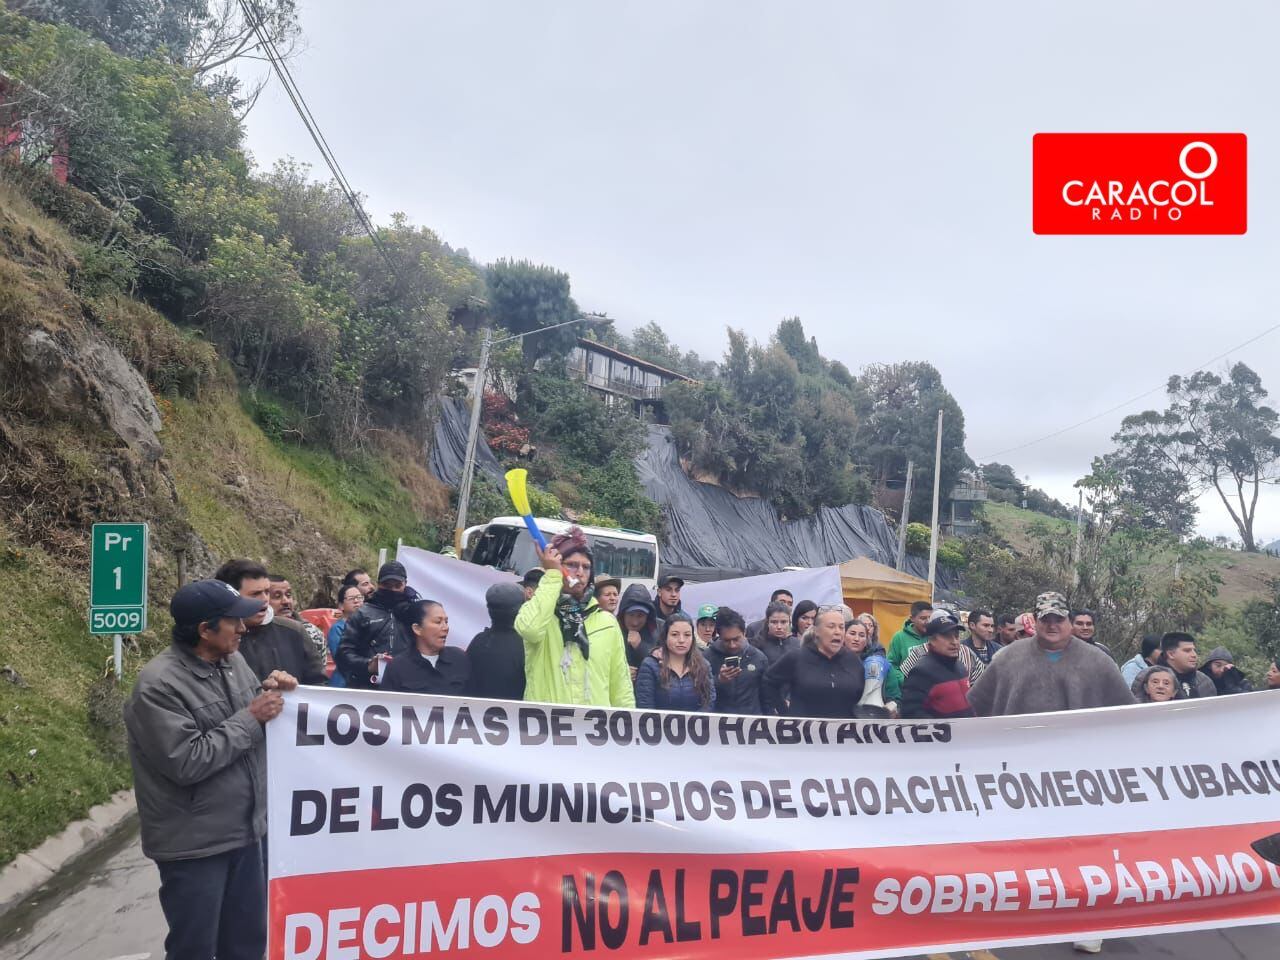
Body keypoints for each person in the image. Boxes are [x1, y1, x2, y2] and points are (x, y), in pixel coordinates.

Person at [124, 580, 297, 960]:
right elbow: (188, 760)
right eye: (233, 621)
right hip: (195, 846)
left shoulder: (233, 662)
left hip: (246, 832)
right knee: (196, 948)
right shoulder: (157, 687)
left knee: (247, 942)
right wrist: (252, 717)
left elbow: (252, 715)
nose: (242, 628)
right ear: (205, 630)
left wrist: (271, 691)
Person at [515, 526, 634, 707]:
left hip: (593, 731)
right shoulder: (540, 613)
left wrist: (626, 725)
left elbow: (621, 686)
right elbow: (529, 629)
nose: (579, 572)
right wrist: (552, 575)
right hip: (546, 728)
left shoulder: (607, 621)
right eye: (571, 565)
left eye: (586, 567)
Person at [968, 591, 1134, 718]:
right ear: (1035, 620)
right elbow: (974, 706)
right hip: (1018, 754)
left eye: (1059, 620)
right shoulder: (1007, 658)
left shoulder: (1098, 661)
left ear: (1069, 621)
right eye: (1046, 620)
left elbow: (1128, 711)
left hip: (1080, 755)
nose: (1052, 626)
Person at [213, 559, 325, 686]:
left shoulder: (294, 631)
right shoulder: (217, 638)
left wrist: (292, 691)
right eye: (255, 594)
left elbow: (318, 685)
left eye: (266, 592)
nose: (264, 599)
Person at [764, 606, 864, 718]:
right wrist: (784, 712)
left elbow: (858, 694)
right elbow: (768, 681)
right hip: (803, 732)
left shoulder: (853, 661)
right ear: (816, 631)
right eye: (831, 627)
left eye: (841, 627)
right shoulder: (796, 657)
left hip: (842, 731)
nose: (837, 632)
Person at [336, 561, 418, 688]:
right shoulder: (362, 613)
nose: (392, 589)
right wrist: (368, 665)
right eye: (387, 585)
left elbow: (429, 651)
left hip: (408, 687)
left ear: (405, 584)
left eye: (397, 585)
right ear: (378, 584)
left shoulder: (415, 613)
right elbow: (343, 654)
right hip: (367, 689)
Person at [381, 599, 470, 695]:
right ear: (417, 629)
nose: (445, 627)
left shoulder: (459, 658)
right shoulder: (397, 666)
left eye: (446, 622)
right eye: (438, 622)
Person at [900, 610, 978, 719]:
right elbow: (910, 713)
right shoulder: (921, 672)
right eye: (947, 637)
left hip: (967, 733)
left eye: (956, 636)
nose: (954, 642)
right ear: (932, 640)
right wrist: (943, 730)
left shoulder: (961, 666)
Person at [635, 613, 716, 712]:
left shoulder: (704, 665)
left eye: (687, 635)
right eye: (674, 635)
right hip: (658, 726)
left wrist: (691, 724)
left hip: (695, 726)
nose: (681, 640)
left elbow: (709, 702)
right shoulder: (650, 665)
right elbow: (645, 706)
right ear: (665, 637)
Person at [465, 583, 526, 701]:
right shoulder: (526, 646)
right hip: (512, 716)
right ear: (521, 608)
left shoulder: (478, 641)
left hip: (475, 714)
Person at [705, 607, 768, 715]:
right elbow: (698, 694)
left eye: (736, 639)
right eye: (727, 640)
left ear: (744, 633)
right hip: (718, 722)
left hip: (752, 723)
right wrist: (719, 680)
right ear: (719, 636)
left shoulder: (759, 658)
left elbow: (766, 696)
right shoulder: (707, 657)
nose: (732, 645)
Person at [845, 616, 901, 718]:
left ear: (867, 641)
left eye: (862, 635)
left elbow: (895, 698)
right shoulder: (833, 663)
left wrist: (892, 706)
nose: (856, 639)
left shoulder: (882, 665)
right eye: (852, 634)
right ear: (843, 636)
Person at [269, 574, 327, 670]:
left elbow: (319, 676)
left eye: (288, 595)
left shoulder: (311, 633)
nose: (285, 601)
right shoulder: (253, 631)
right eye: (277, 596)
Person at [325, 583, 365, 688]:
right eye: (351, 598)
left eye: (359, 597)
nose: (356, 601)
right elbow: (342, 660)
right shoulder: (337, 629)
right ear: (341, 605)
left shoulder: (368, 625)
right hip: (344, 683)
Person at [618, 583, 660, 680]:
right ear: (623, 614)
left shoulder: (660, 629)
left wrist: (640, 647)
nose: (635, 622)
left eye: (640, 615)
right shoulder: (612, 629)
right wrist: (620, 672)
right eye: (631, 615)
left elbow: (666, 666)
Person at [1158, 633, 1215, 699]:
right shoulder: (1150, 678)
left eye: (1194, 650)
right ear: (1171, 654)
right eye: (1187, 651)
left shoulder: (1204, 682)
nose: (1194, 655)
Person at [752, 601, 800, 668]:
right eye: (774, 622)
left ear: (789, 622)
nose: (779, 627)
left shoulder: (798, 644)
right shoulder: (756, 645)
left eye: (783, 622)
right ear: (767, 622)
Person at [888, 601, 933, 670]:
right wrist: (901, 678)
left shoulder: (935, 636)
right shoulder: (899, 637)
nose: (928, 622)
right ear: (912, 618)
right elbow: (892, 665)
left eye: (930, 618)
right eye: (923, 618)